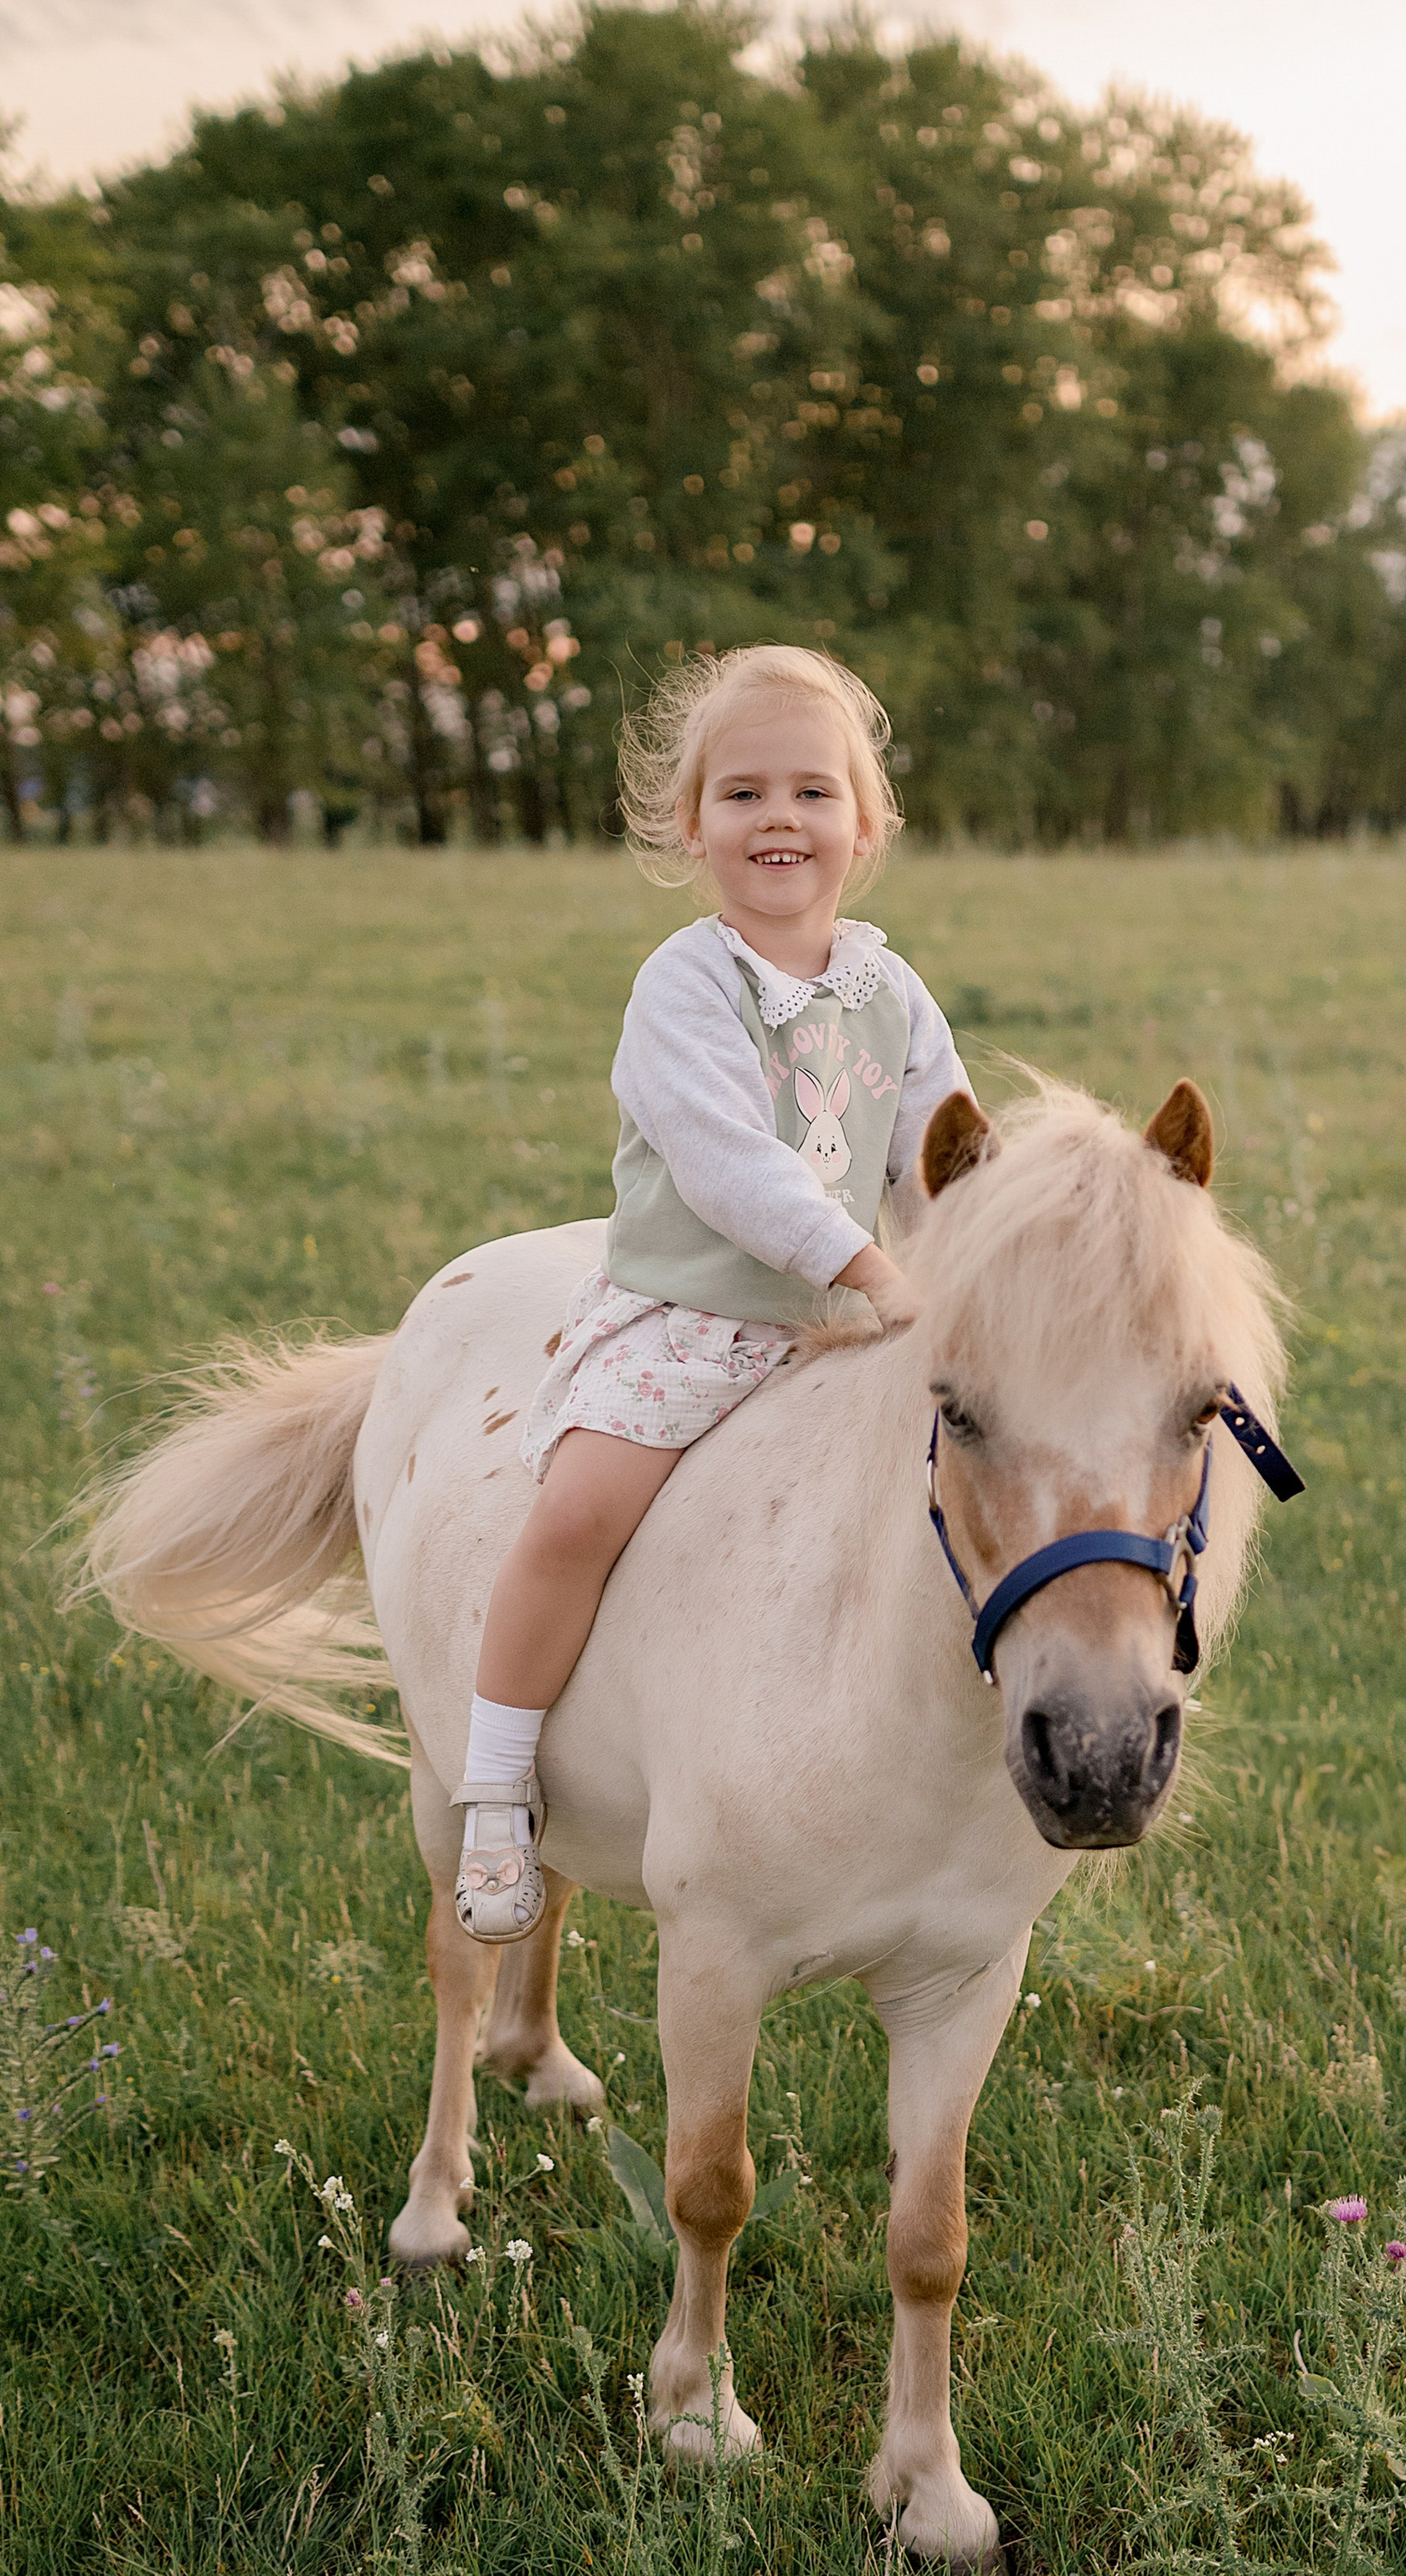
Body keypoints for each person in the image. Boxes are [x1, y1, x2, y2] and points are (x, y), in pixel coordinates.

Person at [451, 645, 969, 1940]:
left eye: (811, 791)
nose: (778, 818)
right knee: (576, 1514)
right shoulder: (686, 983)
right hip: (690, 1322)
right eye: (742, 795)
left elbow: (942, 1155)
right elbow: (732, 1165)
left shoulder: (890, 993)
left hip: (841, 1336)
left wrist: (981, 1263)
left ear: (866, 824)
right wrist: (871, 1271)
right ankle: (498, 1786)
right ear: (689, 827)